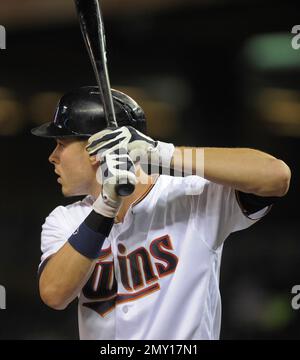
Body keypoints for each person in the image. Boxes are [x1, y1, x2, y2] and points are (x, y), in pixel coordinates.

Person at [31, 86, 291, 340]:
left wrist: (162, 152)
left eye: (61, 144)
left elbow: (276, 177)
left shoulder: (188, 196)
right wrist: (106, 205)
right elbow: (54, 293)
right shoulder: (65, 220)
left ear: (97, 149)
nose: (53, 157)